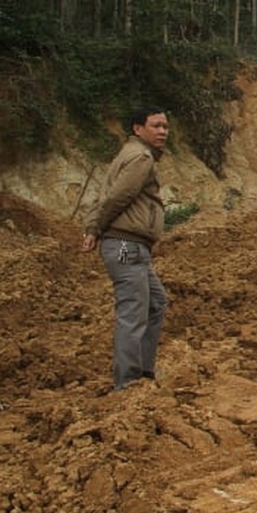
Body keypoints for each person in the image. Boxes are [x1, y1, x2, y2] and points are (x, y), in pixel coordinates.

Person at [81, 106, 170, 391]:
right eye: (155, 126)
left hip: (132, 246)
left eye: (165, 127)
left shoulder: (130, 155)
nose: (162, 132)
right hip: (125, 246)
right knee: (133, 310)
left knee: (156, 302)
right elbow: (120, 195)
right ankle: (128, 384)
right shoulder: (141, 157)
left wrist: (95, 225)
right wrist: (95, 227)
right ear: (137, 129)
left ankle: (143, 372)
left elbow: (108, 194)